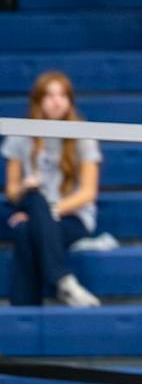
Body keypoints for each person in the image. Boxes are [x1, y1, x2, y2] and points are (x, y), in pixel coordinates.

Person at [2, 72, 102, 307]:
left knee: (26, 231)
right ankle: (61, 280)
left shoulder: (83, 135)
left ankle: (23, 312)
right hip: (31, 207)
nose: (56, 101)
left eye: (62, 95)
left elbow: (88, 193)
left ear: (70, 100)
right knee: (33, 197)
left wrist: (46, 213)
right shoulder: (20, 133)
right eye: (49, 95)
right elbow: (12, 191)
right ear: (38, 100)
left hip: (71, 218)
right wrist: (25, 188)